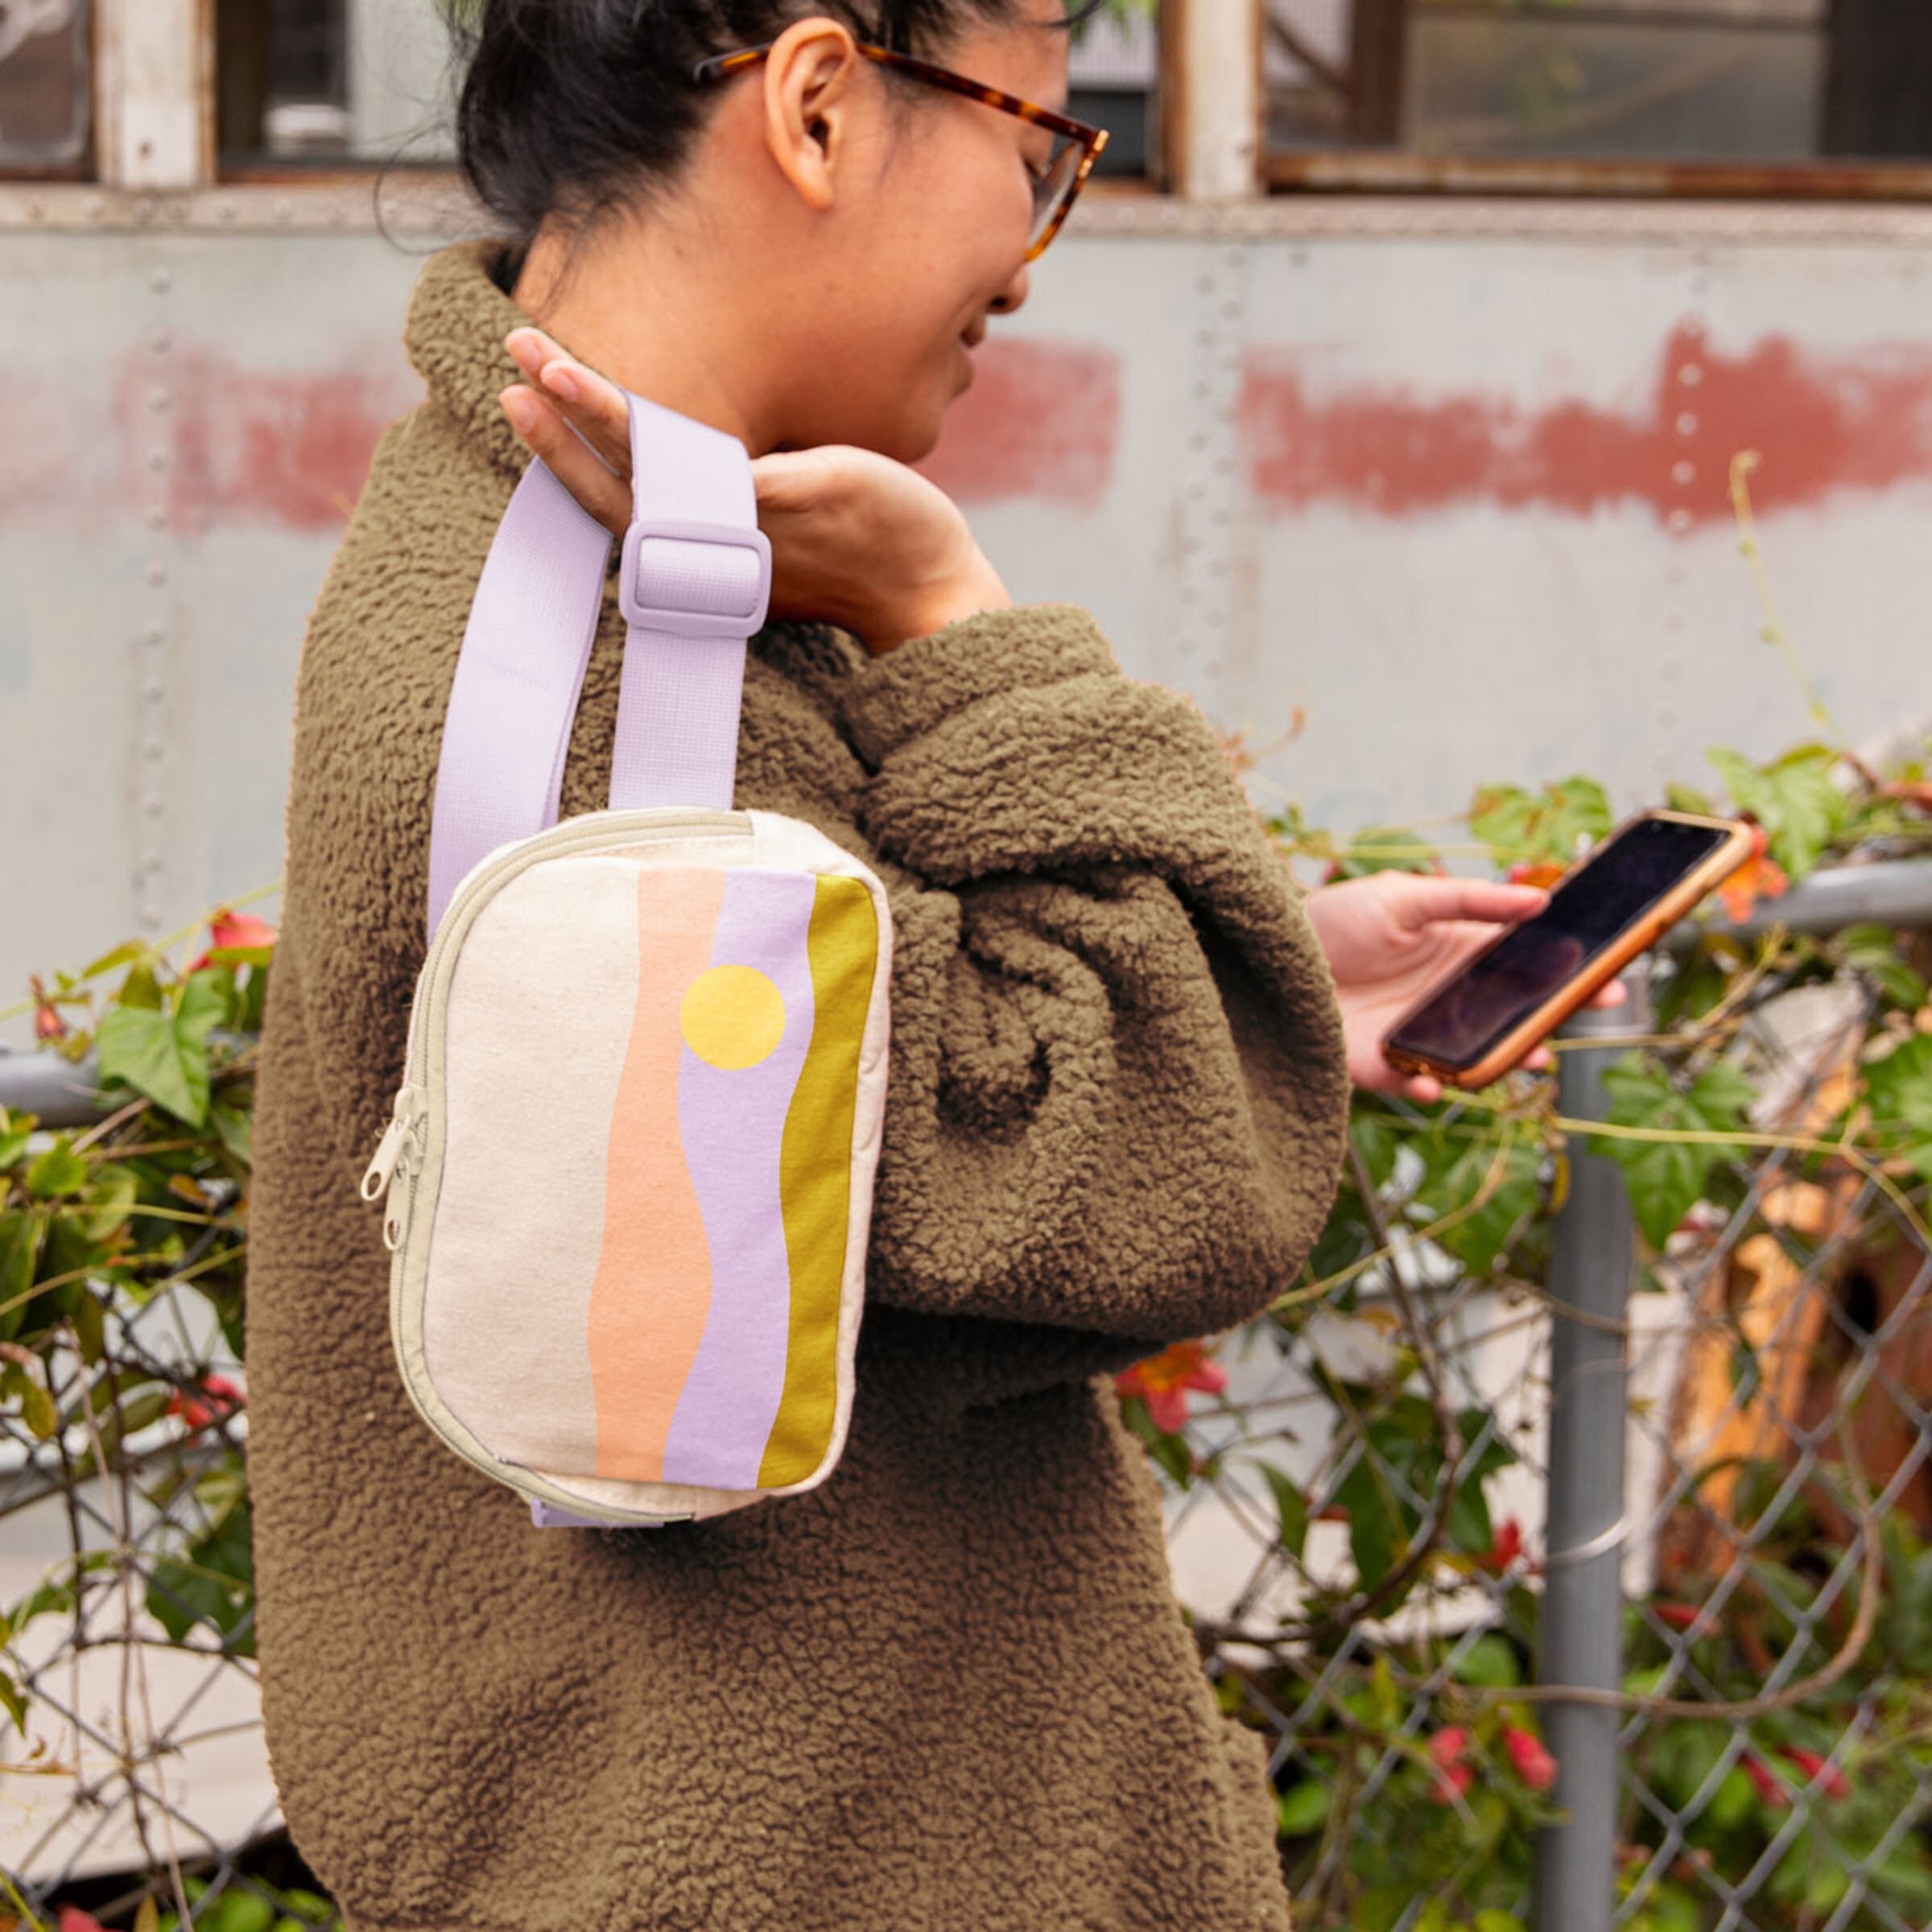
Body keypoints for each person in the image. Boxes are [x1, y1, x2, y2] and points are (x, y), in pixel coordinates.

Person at [244, 4, 1613, 1928]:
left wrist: (1273, 973)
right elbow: (1147, 1178)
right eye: (1041, 145)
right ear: (814, 104)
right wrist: (947, 608)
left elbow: (821, 1130)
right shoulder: (606, 691)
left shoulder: (567, 582)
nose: (1035, 258)